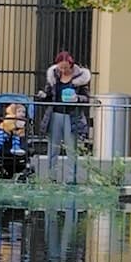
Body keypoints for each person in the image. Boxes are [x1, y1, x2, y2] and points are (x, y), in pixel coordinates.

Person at [37, 51, 92, 179]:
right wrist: (44, 96)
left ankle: (71, 179)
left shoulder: (80, 79)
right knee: (53, 148)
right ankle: (52, 178)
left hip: (72, 116)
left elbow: (86, 98)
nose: (63, 70)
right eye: (60, 68)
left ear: (71, 65)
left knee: (71, 150)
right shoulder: (54, 77)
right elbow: (49, 96)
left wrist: (77, 98)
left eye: (66, 68)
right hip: (55, 115)